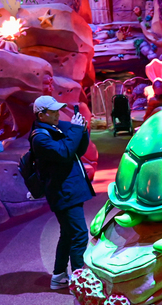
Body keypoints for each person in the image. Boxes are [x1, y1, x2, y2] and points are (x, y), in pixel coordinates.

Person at [31, 96, 96, 289]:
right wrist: (75, 129)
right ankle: (80, 283)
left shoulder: (55, 129)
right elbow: (64, 152)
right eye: (53, 111)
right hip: (62, 192)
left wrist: (82, 131)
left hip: (69, 189)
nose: (57, 114)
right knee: (79, 234)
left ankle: (59, 275)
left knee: (68, 234)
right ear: (41, 115)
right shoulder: (40, 138)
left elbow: (77, 150)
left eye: (57, 110)